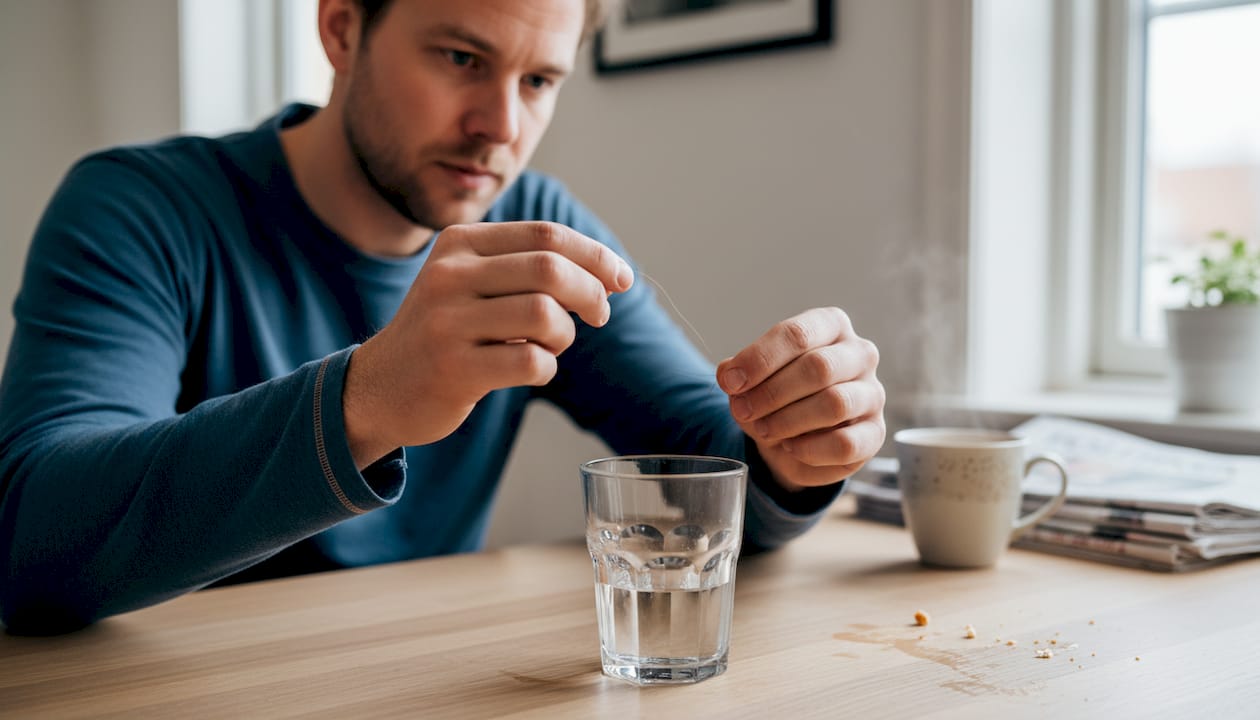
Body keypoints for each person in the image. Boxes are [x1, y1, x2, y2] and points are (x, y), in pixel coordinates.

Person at [0, 0, 885, 636]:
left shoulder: (532, 224)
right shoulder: (142, 208)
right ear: (342, 29)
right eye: (462, 58)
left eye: (539, 79)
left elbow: (714, 477)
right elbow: (34, 537)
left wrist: (794, 451)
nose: (499, 125)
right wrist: (368, 399)